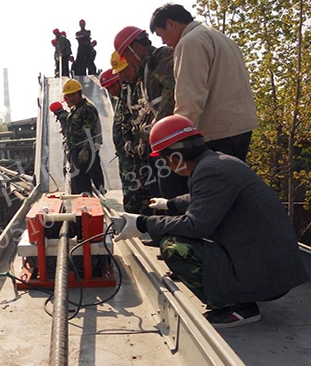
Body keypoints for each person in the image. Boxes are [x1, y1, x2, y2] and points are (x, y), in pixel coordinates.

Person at [113, 115, 309, 328]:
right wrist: (168, 204)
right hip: (269, 266)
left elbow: (196, 226)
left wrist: (142, 224)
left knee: (174, 247)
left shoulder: (210, 171)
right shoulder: (218, 162)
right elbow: (202, 198)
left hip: (264, 273)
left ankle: (238, 307)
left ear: (176, 156)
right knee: (181, 235)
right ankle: (236, 290)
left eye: (165, 158)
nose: (167, 165)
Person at [149, 4, 258, 161]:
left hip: (217, 131)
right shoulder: (220, 37)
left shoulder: (189, 42)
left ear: (170, 24)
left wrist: (178, 136)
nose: (164, 42)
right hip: (241, 126)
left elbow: (190, 97)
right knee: (235, 180)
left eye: (161, 35)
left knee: (213, 182)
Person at [114, 25, 189, 202]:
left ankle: (177, 226)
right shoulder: (145, 70)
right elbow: (144, 110)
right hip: (157, 141)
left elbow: (169, 94)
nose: (130, 61)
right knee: (158, 190)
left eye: (128, 55)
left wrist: (156, 128)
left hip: (171, 138)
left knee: (172, 191)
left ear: (136, 47)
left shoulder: (162, 58)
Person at [110, 51, 152, 215]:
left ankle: (151, 219)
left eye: (124, 71)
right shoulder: (128, 89)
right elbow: (127, 118)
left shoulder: (146, 83)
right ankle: (136, 217)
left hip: (148, 142)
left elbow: (149, 112)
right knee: (135, 185)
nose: (122, 75)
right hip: (133, 147)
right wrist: (127, 139)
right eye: (119, 73)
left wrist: (144, 140)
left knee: (148, 184)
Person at [62, 79, 104, 194]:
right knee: (77, 182)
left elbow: (88, 130)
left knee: (87, 180)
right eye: (68, 95)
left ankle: (94, 203)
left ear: (79, 93)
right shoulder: (74, 110)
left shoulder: (87, 108)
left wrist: (85, 149)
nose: (71, 98)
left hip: (85, 150)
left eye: (73, 94)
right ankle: (81, 205)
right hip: (75, 150)